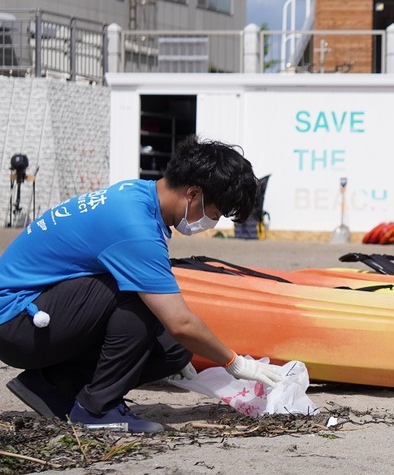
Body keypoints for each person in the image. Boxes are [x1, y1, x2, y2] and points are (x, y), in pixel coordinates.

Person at [0, 137, 283, 433]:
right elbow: (181, 322)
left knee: (173, 352)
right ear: (194, 194)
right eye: (214, 214)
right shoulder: (135, 228)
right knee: (142, 301)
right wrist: (235, 363)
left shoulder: (138, 193)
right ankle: (98, 409)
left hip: (41, 313)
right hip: (16, 321)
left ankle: (53, 385)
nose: (211, 224)